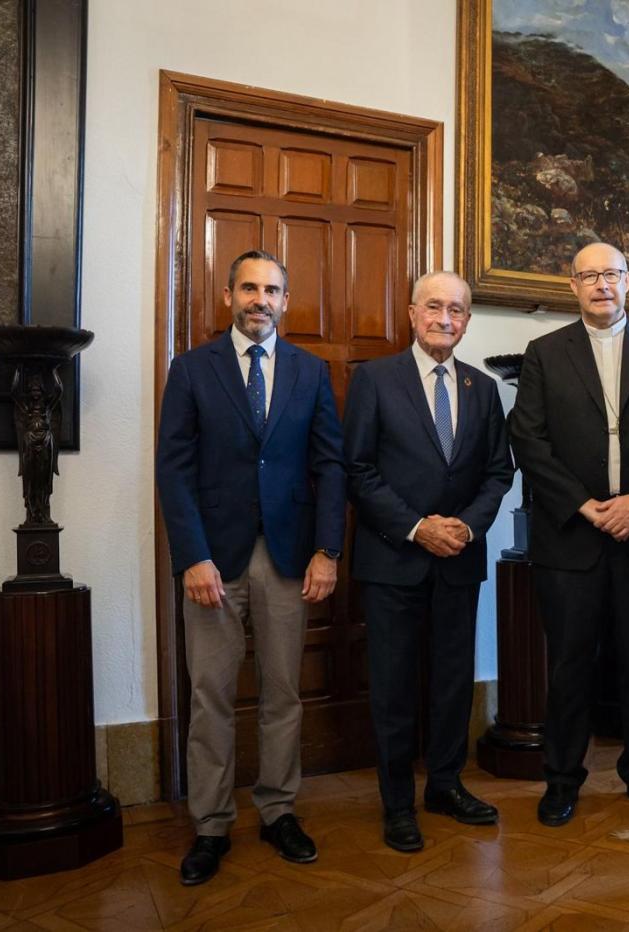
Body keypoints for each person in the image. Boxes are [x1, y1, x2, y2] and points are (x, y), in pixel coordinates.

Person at [156, 249, 345, 884]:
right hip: (213, 559)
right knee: (210, 695)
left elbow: (329, 466)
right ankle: (210, 825)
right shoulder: (190, 370)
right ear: (228, 296)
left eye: (272, 290)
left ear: (285, 301)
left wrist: (327, 549)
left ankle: (277, 810)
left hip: (288, 557)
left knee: (282, 692)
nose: (260, 299)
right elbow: (174, 471)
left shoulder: (310, 372)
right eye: (249, 288)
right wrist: (193, 557)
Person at [508, 242, 629, 827]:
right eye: (588, 275)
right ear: (572, 286)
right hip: (572, 538)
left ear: (628, 281)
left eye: (611, 274)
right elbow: (530, 440)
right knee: (570, 665)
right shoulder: (544, 353)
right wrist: (586, 507)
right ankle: (563, 779)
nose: (601, 284)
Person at [343, 271, 514, 853]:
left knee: (450, 683)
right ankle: (397, 804)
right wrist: (418, 527)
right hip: (393, 559)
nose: (446, 318)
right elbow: (358, 469)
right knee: (393, 688)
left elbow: (498, 471)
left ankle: (445, 784)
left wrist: (466, 525)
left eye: (458, 310)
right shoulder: (374, 380)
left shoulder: (483, 389)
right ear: (413, 313)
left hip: (460, 559)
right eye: (435, 307)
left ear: (467, 320)